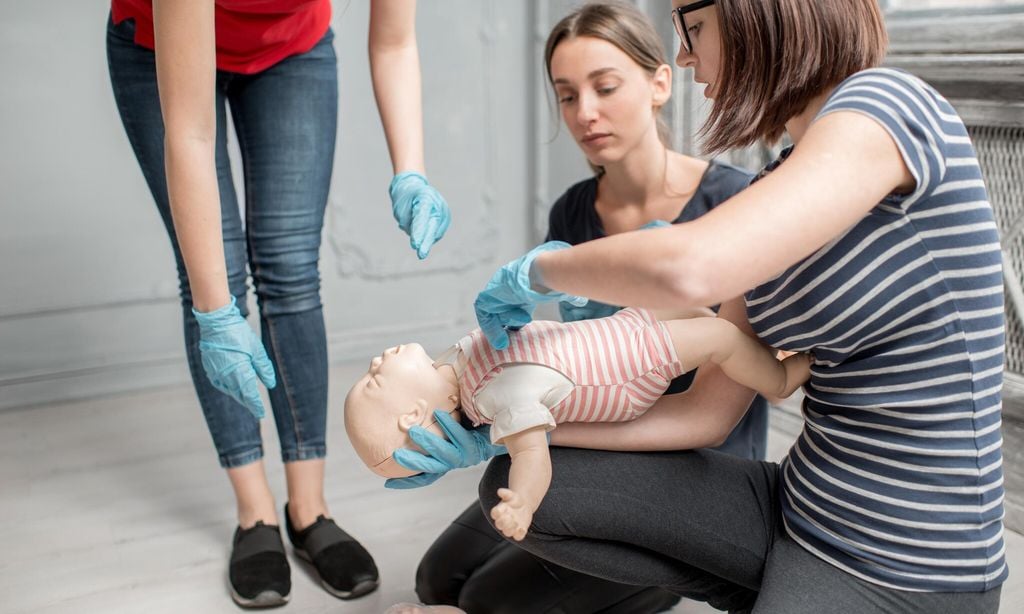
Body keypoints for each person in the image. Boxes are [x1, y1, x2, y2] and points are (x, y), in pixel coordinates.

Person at [401, 1, 1008, 612]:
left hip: (910, 560)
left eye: (692, 29)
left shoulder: (890, 105)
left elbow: (688, 269)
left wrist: (536, 269)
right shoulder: (775, 185)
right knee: (513, 486)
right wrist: (509, 434)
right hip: (798, 505)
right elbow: (705, 415)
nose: (685, 54)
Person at [401, 3, 771, 612]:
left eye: (605, 87)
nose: (585, 114)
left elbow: (716, 404)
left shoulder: (734, 206)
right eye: (567, 95)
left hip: (695, 461)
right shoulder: (573, 213)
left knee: (488, 603)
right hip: (590, 445)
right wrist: (490, 421)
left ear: (660, 82)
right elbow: (560, 368)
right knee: (436, 580)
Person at [106, 0, 451, 607]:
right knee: (214, 279)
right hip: (157, 46)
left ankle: (309, 511)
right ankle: (255, 515)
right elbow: (187, 133)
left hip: (292, 51)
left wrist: (411, 171)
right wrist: (216, 315)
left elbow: (394, 42)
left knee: (292, 273)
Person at [342, 307, 811, 537]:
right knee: (719, 336)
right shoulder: (497, 396)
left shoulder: (461, 363)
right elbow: (532, 456)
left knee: (693, 305)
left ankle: (769, 349)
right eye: (373, 382)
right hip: (627, 369)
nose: (375, 362)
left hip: (618, 329)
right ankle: (780, 378)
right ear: (412, 415)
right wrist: (522, 503)